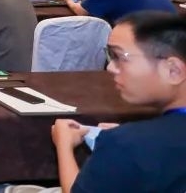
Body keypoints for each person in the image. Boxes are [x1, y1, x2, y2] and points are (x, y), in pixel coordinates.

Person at [46, 12, 186, 193]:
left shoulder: (128, 144)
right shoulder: (138, 141)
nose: (111, 67)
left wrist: (64, 145)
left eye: (120, 57)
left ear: (173, 70)